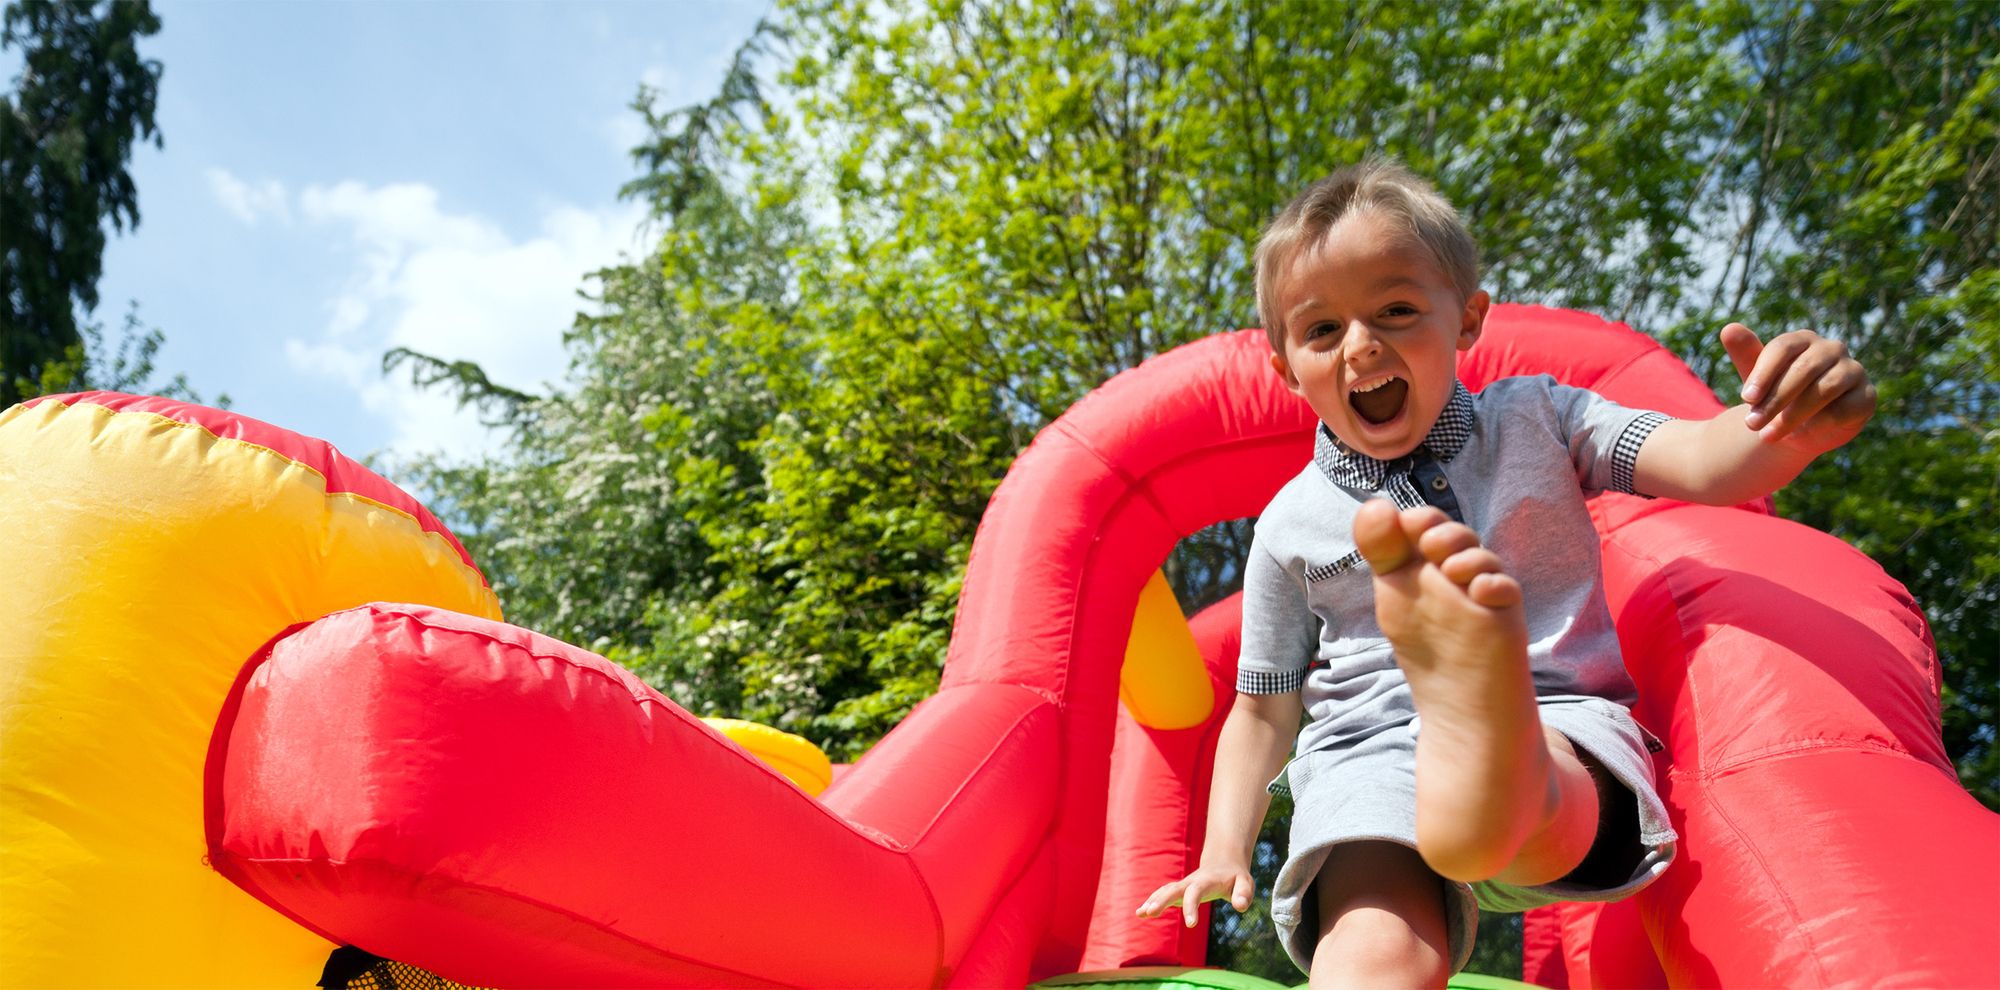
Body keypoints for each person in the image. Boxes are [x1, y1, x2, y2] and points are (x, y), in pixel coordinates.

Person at [1135, 158, 1876, 986]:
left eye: (1397, 310)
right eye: (1321, 331)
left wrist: (1780, 428)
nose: (1362, 344)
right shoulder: (1288, 526)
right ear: (1284, 367)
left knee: (1541, 794)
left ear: (1468, 320)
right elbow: (1262, 708)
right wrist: (1221, 848)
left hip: (1552, 717)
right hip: (1367, 753)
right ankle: (1477, 744)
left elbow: (1700, 459)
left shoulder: (1543, 418)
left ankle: (1487, 732)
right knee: (1372, 957)